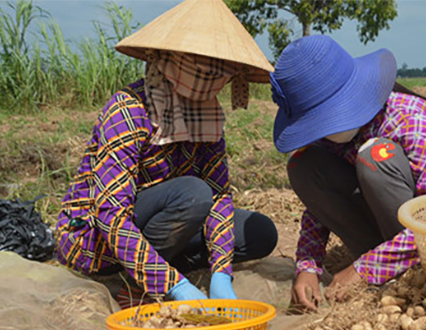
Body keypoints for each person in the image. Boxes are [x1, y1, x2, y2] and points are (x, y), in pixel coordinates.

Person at [55, 0, 278, 307]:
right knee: (193, 194)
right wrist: (174, 286)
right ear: (172, 60)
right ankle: (133, 279)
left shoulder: (207, 118)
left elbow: (219, 196)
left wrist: (221, 273)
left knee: (259, 233)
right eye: (201, 66)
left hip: (170, 222)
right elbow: (111, 214)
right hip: (100, 237)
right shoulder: (128, 112)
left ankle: (162, 272)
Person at [269, 35, 426, 311]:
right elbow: (318, 206)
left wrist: (365, 269)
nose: (320, 130)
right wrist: (308, 264)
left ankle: (404, 270)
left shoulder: (411, 120)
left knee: (375, 156)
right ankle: (390, 266)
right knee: (303, 165)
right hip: (391, 239)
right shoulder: (330, 138)